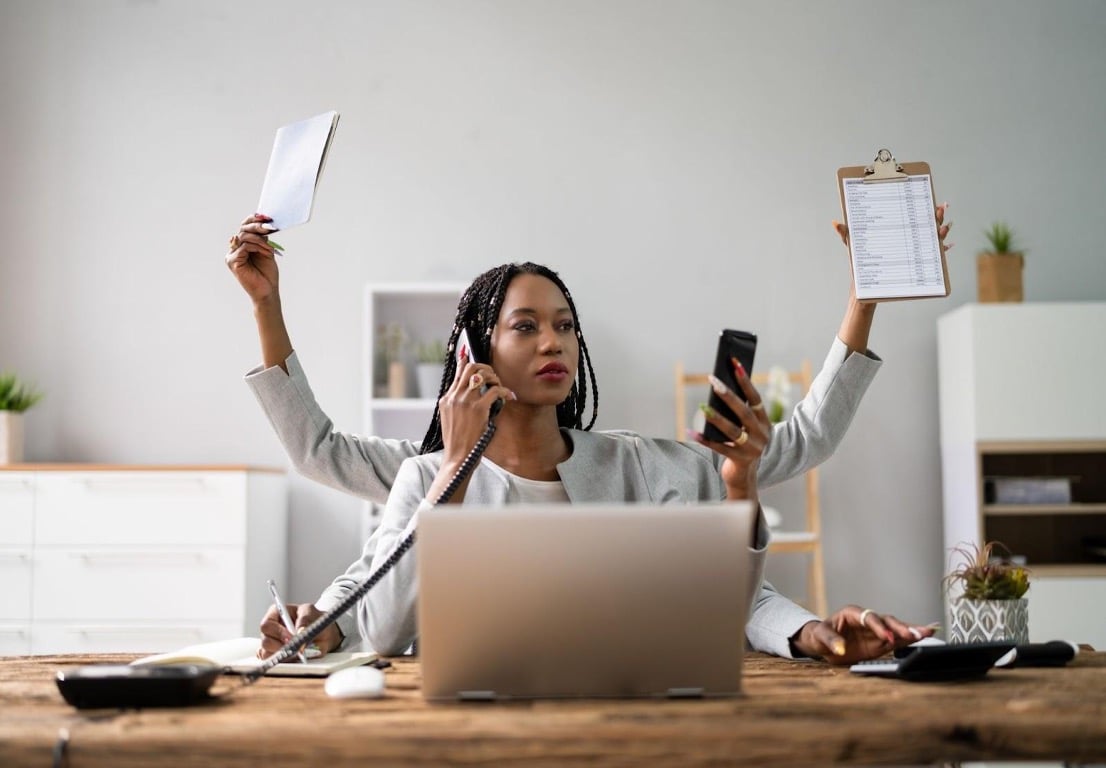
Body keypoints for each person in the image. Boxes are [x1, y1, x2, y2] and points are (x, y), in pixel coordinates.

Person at [225, 207, 950, 664]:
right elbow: (339, 503)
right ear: (473, 354)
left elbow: (797, 457)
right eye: (527, 326)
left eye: (567, 326)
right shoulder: (427, 474)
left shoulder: (647, 467)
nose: (554, 342)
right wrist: (267, 307)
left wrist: (865, 300)